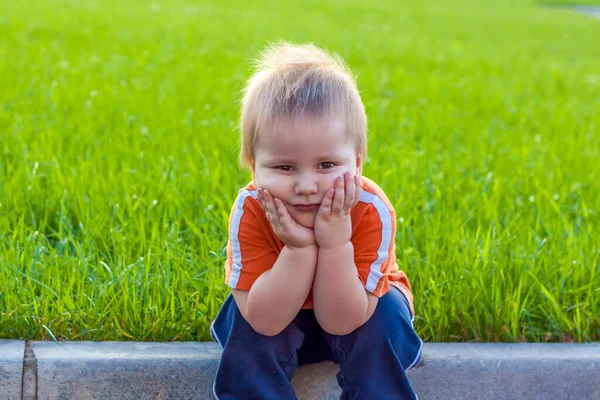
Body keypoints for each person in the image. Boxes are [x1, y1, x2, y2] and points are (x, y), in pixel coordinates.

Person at [211, 41, 422, 400]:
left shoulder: (371, 209)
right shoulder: (252, 208)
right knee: (247, 325)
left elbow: (345, 321)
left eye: (326, 165)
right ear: (253, 165)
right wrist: (300, 249)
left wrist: (335, 244)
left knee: (384, 315)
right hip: (276, 313)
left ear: (356, 163)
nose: (306, 187)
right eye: (283, 167)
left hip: (356, 311)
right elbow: (264, 320)